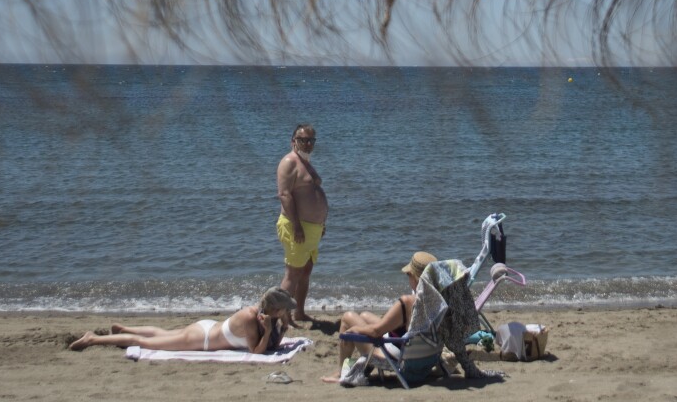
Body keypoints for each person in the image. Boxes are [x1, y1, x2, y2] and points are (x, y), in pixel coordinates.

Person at [321, 250, 437, 383]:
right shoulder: (438, 301)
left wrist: (355, 330)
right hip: (426, 358)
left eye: (408, 275)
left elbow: (376, 332)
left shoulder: (407, 302)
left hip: (399, 359)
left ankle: (340, 373)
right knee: (365, 316)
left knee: (348, 318)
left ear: (414, 277)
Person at [69, 288, 296, 353]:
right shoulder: (250, 317)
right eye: (285, 309)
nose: (287, 312)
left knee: (162, 333)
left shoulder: (265, 315)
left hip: (206, 328)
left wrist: (283, 328)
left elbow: (271, 347)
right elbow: (257, 352)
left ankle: (122, 328)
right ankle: (93, 339)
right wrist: (268, 331)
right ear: (275, 308)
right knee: (144, 343)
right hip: (201, 339)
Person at [277, 122, 328, 322]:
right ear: (293, 141)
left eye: (311, 140)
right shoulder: (289, 162)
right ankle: (281, 317)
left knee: (306, 271)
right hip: (297, 227)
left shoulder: (305, 162)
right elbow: (284, 195)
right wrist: (297, 226)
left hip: (312, 229)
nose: (307, 144)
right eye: (303, 140)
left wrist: (321, 223)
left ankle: (298, 312)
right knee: (292, 274)